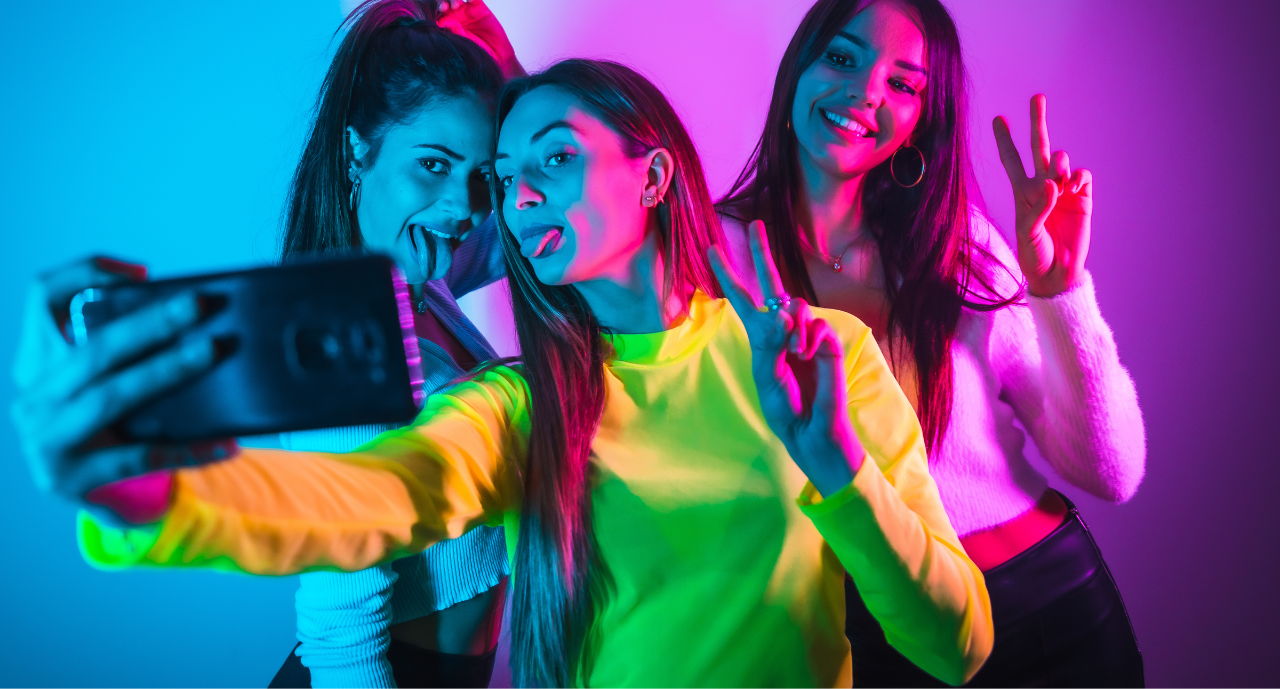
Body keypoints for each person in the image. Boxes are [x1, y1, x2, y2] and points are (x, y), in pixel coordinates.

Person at [14, 58, 994, 687]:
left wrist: (835, 469)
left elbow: (956, 648)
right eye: (503, 174)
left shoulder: (819, 361)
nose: (513, 198)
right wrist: (146, 493)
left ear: (652, 177)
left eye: (549, 161)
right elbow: (372, 498)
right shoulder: (523, 402)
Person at [11, 0, 521, 689]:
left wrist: (510, 79)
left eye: (482, 177)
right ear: (357, 153)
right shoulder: (346, 370)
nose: (465, 207)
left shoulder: (418, 278)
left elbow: (528, 237)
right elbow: (343, 643)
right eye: (432, 165)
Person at [716, 0, 1146, 686]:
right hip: (876, 626)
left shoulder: (959, 246)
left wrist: (1059, 290)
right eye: (843, 58)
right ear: (798, 66)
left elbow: (1109, 471)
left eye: (904, 84)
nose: (865, 94)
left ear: (923, 119)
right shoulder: (713, 254)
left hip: (1049, 604)